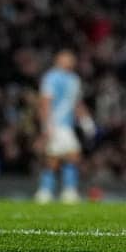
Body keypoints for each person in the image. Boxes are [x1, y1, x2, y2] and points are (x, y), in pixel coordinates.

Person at [35, 50, 86, 204]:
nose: (69, 62)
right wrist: (47, 125)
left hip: (67, 125)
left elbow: (76, 103)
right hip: (56, 123)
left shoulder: (74, 79)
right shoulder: (51, 77)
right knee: (67, 156)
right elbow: (45, 102)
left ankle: (49, 191)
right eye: (65, 59)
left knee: (61, 157)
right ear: (58, 60)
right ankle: (57, 191)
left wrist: (86, 121)